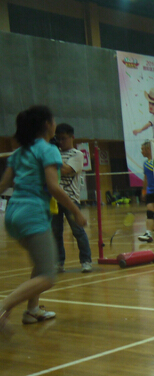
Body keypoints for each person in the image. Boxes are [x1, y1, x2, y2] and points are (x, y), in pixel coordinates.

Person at [0, 106, 88, 330]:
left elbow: (3, 186)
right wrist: (76, 211)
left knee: (41, 264)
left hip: (13, 214)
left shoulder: (19, 153)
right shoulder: (48, 150)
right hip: (32, 214)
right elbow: (54, 187)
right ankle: (3, 306)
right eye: (53, 120)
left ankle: (32, 310)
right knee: (48, 276)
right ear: (47, 125)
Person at [52, 123, 92, 273]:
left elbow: (65, 169)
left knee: (78, 232)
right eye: (58, 139)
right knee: (56, 233)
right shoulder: (55, 153)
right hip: (55, 199)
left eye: (64, 138)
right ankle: (59, 262)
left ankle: (86, 261)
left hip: (71, 200)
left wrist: (51, 156)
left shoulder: (77, 154)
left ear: (72, 137)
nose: (61, 142)